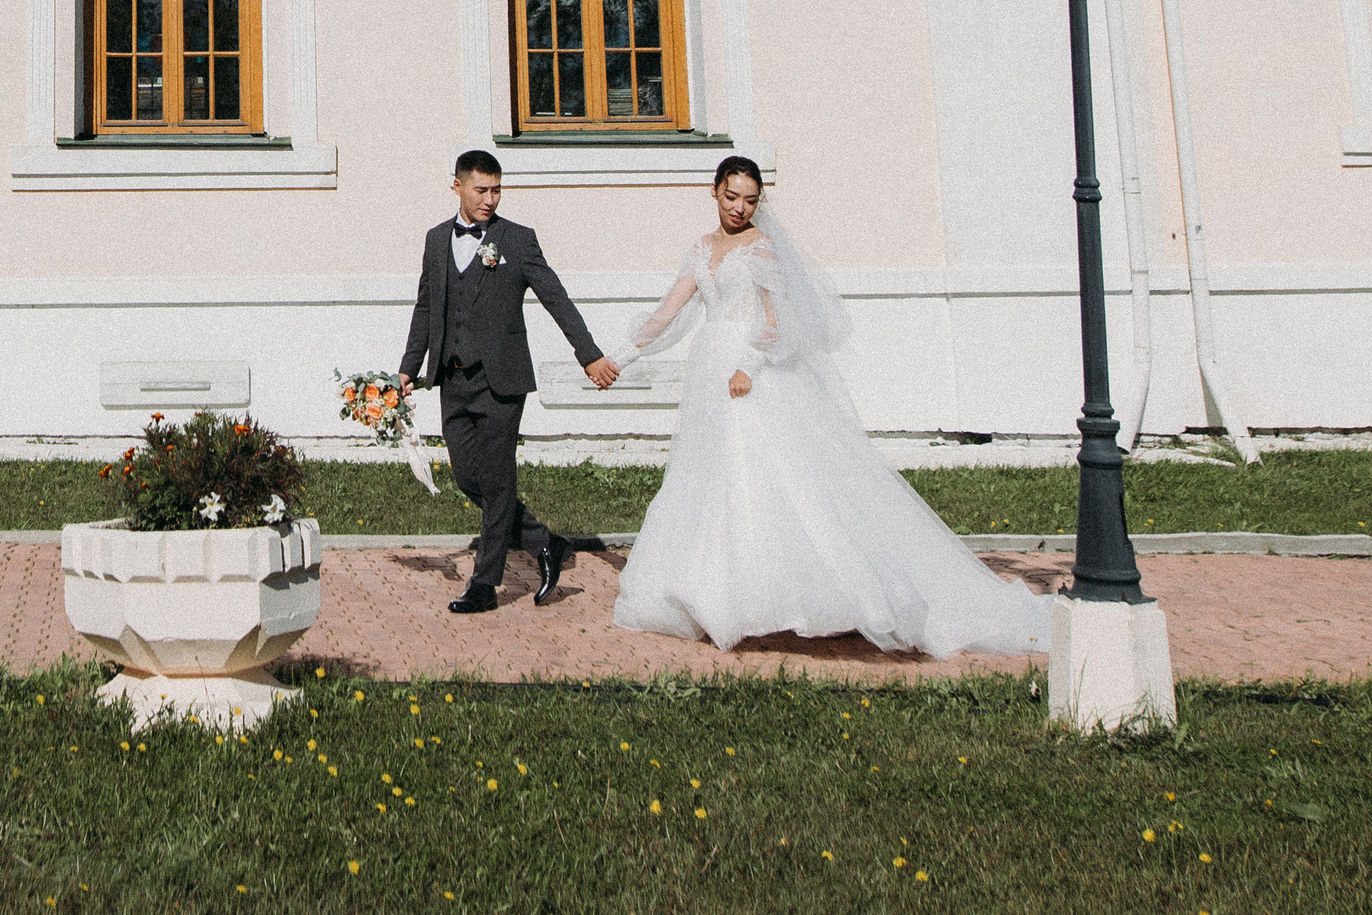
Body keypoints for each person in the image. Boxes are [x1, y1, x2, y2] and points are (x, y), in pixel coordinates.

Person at [609, 156, 1051, 656]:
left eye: (750, 200)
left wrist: (748, 367)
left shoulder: (763, 249)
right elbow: (668, 312)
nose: (739, 208)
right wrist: (618, 358)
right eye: (731, 196)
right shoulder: (700, 251)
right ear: (714, 192)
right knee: (711, 478)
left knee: (771, 481)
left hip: (750, 377)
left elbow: (777, 322)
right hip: (709, 375)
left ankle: (810, 596)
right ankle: (715, 594)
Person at [401, 150, 621, 614]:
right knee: (467, 477)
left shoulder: (517, 240)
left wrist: (589, 354)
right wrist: (409, 367)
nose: (489, 200)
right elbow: (426, 307)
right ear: (456, 186)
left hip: (502, 379)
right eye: (480, 190)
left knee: (499, 478)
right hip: (451, 377)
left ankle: (485, 584)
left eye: (496, 190)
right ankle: (544, 542)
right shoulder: (436, 239)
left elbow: (555, 298)